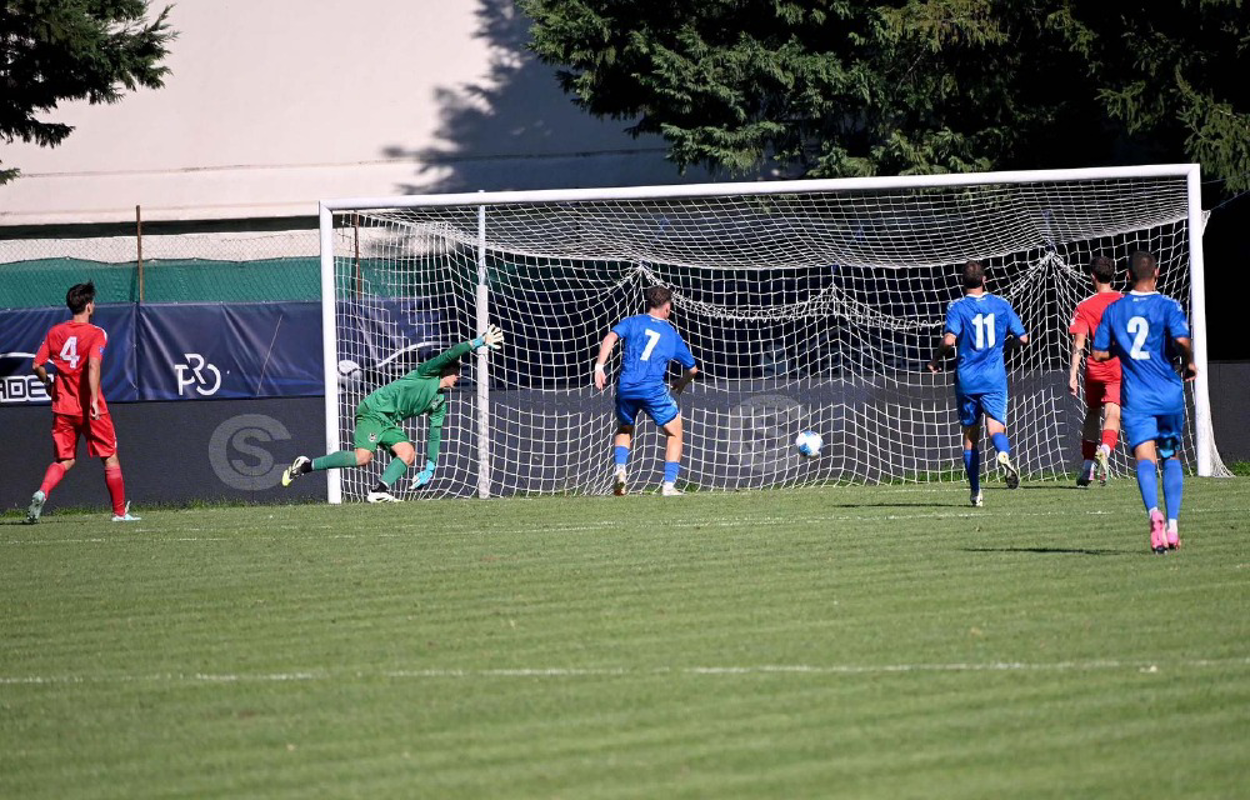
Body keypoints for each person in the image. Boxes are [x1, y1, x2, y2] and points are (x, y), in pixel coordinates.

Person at [282, 326, 504, 502]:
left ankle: (379, 491)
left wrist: (430, 467)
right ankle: (305, 466)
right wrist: (479, 342)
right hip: (373, 410)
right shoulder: (427, 373)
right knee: (363, 458)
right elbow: (452, 352)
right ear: (447, 370)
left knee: (407, 452)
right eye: (457, 372)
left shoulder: (439, 402)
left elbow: (434, 434)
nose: (459, 376)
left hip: (388, 421)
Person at [1092, 251, 1195, 553]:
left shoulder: (1115, 309)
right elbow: (1183, 341)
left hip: (1136, 397)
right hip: (1168, 394)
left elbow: (1098, 354)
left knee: (1144, 459)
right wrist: (1189, 363)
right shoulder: (1168, 305)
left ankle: (1154, 514)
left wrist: (1119, 350)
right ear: (1158, 273)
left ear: (1126, 276)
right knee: (1171, 456)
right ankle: (1173, 526)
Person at [25, 281, 140, 523]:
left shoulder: (55, 332)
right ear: (89, 306)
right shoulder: (97, 333)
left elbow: (37, 365)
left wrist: (48, 384)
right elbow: (94, 364)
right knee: (110, 456)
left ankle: (42, 492)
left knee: (64, 460)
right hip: (90, 408)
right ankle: (120, 513)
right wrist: (94, 402)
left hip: (63, 407)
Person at [928, 260, 1029, 507]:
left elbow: (949, 340)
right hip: (994, 378)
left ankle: (976, 492)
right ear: (985, 280)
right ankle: (1003, 454)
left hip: (967, 378)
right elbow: (1023, 338)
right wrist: (1005, 347)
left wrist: (935, 358)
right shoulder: (1001, 304)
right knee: (996, 428)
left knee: (971, 437)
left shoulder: (956, 306)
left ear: (963, 282)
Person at [594, 286, 698, 496]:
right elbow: (693, 370)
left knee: (624, 427)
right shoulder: (671, 334)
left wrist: (599, 366)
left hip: (626, 387)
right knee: (675, 432)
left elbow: (609, 338)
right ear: (667, 308)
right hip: (652, 390)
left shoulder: (632, 322)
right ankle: (668, 486)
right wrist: (682, 382)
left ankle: (621, 470)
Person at [1067, 255, 1123, 487]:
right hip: (1117, 366)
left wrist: (1072, 374)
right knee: (1113, 411)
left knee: (1092, 413)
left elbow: (1079, 343)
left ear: (1092, 276)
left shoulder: (1085, 305)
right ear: (1113, 275)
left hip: (1094, 368)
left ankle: (1088, 466)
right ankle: (1106, 450)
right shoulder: (1126, 302)